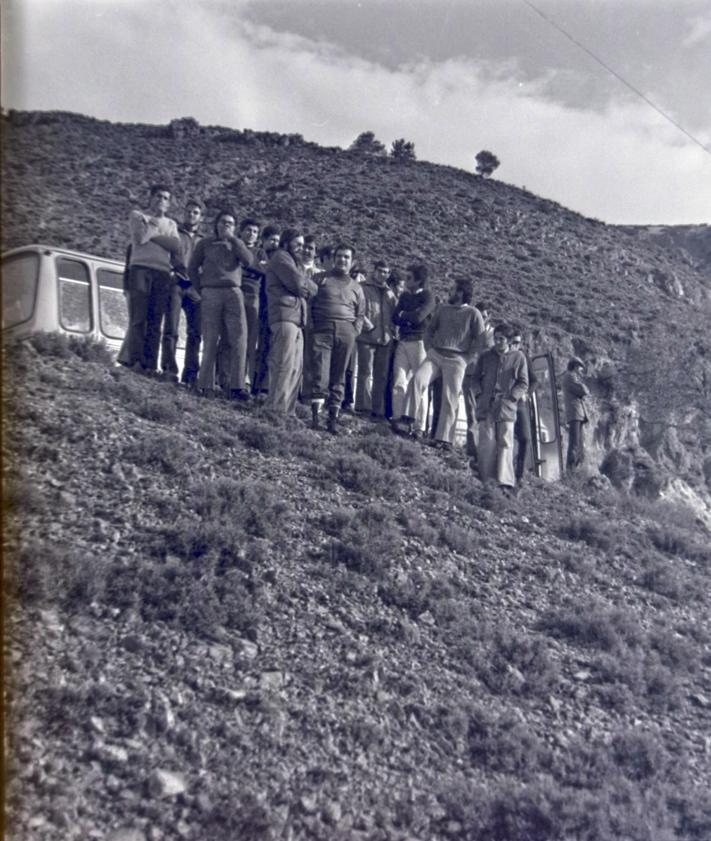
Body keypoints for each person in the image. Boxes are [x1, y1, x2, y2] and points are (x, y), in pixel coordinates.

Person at [401, 279, 484, 448]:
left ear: (460, 293)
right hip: (435, 355)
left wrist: (468, 358)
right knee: (417, 380)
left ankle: (444, 439)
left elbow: (480, 339)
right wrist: (429, 348)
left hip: (457, 359)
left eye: (452, 289)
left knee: (450, 397)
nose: (449, 291)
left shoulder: (474, 313)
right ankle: (407, 420)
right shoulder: (442, 309)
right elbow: (429, 330)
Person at [189, 209, 254, 400]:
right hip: (211, 291)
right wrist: (200, 288)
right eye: (223, 222)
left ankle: (237, 385)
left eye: (231, 223)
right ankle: (205, 384)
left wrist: (234, 240)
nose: (226, 226)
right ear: (216, 224)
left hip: (233, 291)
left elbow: (249, 261)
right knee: (210, 338)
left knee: (239, 338)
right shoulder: (205, 243)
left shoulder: (237, 244)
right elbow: (192, 267)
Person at [122, 184, 182, 373]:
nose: (161, 201)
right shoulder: (138, 216)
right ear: (150, 198)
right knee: (139, 317)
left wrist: (153, 234)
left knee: (155, 320)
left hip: (162, 273)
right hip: (140, 269)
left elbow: (175, 246)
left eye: (165, 198)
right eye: (158, 196)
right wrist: (155, 227)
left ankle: (150, 364)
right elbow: (140, 238)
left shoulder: (172, 224)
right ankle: (136, 361)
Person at [309, 243, 366, 434]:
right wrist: (312, 326)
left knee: (339, 376)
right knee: (320, 372)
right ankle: (315, 418)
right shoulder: (320, 279)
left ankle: (332, 420)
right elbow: (309, 303)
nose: (342, 260)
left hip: (346, 332)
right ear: (334, 259)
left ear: (352, 261)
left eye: (346, 257)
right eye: (339, 256)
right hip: (322, 329)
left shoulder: (357, 287)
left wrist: (354, 331)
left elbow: (361, 313)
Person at [264, 229, 318, 414]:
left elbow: (311, 289)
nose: (302, 249)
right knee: (283, 365)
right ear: (287, 243)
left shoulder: (296, 264)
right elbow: (298, 284)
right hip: (284, 316)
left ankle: (288, 411)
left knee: (295, 368)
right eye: (298, 244)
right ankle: (275, 410)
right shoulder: (281, 258)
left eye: (304, 245)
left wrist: (307, 286)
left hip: (296, 320)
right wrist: (306, 286)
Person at [471, 322, 529, 488]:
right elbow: (474, 379)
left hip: (506, 408)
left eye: (501, 339)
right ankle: (487, 481)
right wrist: (479, 394)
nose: (497, 342)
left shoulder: (518, 358)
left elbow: (523, 383)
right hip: (486, 406)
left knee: (505, 443)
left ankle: (505, 482)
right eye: (495, 339)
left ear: (509, 341)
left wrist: (512, 397)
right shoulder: (485, 356)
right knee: (486, 443)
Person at [162, 198, 204, 386]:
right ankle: (169, 369)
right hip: (177, 283)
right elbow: (165, 255)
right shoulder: (174, 234)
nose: (191, 215)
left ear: (200, 217)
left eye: (195, 212)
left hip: (195, 288)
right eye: (188, 211)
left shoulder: (204, 241)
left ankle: (190, 375)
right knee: (171, 327)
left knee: (195, 332)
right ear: (183, 213)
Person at [390, 264, 436, 435]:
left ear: (418, 280)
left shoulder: (428, 296)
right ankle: (397, 418)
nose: (405, 280)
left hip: (419, 343)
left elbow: (419, 317)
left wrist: (405, 316)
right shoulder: (404, 296)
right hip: (404, 340)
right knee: (399, 381)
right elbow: (395, 317)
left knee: (419, 385)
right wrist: (408, 318)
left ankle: (419, 426)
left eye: (409, 277)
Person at [355, 260, 396, 419]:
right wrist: (368, 325)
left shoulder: (389, 293)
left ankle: (377, 409)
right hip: (367, 336)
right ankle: (363, 406)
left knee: (381, 375)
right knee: (365, 372)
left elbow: (394, 313)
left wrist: (392, 331)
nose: (383, 275)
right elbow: (359, 309)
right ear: (374, 271)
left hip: (385, 339)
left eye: (386, 272)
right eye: (381, 271)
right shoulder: (363, 287)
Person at [462, 300, 495, 462]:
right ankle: (472, 452)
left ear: (489, 317)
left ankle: (486, 454)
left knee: (486, 417)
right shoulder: (469, 330)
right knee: (471, 415)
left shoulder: (494, 335)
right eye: (479, 316)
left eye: (484, 317)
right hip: (469, 376)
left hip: (486, 381)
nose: (481, 320)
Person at [252, 225, 281, 397]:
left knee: (266, 346)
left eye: (277, 241)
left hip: (269, 307)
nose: (275, 244)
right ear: (263, 241)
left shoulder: (278, 259)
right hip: (254, 302)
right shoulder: (257, 255)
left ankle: (262, 385)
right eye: (271, 240)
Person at [509, 328, 538, 482]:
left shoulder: (524, 357)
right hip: (503, 402)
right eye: (514, 342)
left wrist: (527, 393)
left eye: (519, 343)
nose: (516, 346)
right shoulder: (500, 356)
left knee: (525, 438)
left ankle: (519, 475)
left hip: (520, 403)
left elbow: (534, 380)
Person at [238, 217, 263, 390]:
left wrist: (246, 267)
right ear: (241, 231)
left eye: (255, 231)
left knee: (249, 339)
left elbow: (261, 269)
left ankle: (244, 378)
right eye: (248, 230)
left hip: (253, 296)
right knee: (230, 336)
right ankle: (222, 375)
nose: (251, 234)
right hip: (235, 291)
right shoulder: (234, 247)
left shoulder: (260, 252)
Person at [562, 356, 589, 471]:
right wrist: (582, 382)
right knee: (575, 443)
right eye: (580, 367)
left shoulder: (572, 377)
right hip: (575, 413)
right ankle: (570, 470)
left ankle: (574, 468)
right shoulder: (570, 376)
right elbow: (584, 391)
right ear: (575, 366)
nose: (581, 370)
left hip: (577, 413)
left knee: (578, 443)